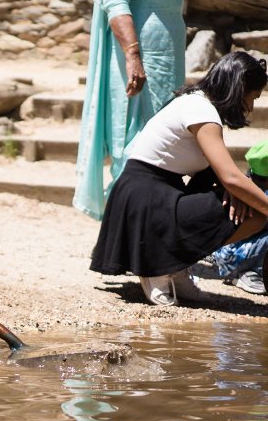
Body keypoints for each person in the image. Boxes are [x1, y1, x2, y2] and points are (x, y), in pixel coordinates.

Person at [90, 52, 268, 306]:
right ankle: (156, 268)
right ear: (239, 88)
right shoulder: (201, 110)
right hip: (145, 198)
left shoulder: (198, 104)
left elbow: (223, 176)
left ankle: (176, 265)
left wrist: (236, 191)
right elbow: (230, 177)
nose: (250, 107)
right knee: (255, 211)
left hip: (158, 195)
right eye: (252, 97)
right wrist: (236, 189)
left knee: (252, 211)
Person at [74, 0, 192, 220]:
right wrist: (133, 57)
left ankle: (140, 231)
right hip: (142, 67)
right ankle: (130, 233)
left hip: (160, 69)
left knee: (156, 144)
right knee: (139, 144)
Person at [194, 140, 268, 295]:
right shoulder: (259, 197)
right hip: (234, 256)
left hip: (227, 249)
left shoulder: (248, 184)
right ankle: (246, 271)